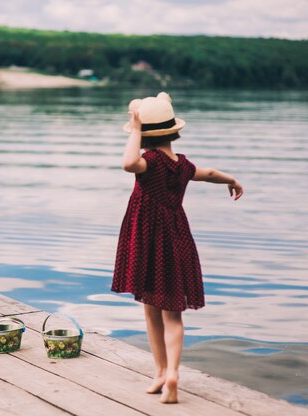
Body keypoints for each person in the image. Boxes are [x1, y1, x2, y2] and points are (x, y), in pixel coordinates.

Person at [111, 92, 243, 404]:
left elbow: (129, 162)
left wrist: (135, 126)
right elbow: (208, 174)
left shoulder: (148, 163)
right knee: (173, 315)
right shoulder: (181, 165)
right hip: (176, 239)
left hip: (146, 241)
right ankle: (169, 373)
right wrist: (231, 179)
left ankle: (161, 373)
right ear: (174, 132)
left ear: (145, 137)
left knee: (150, 309)